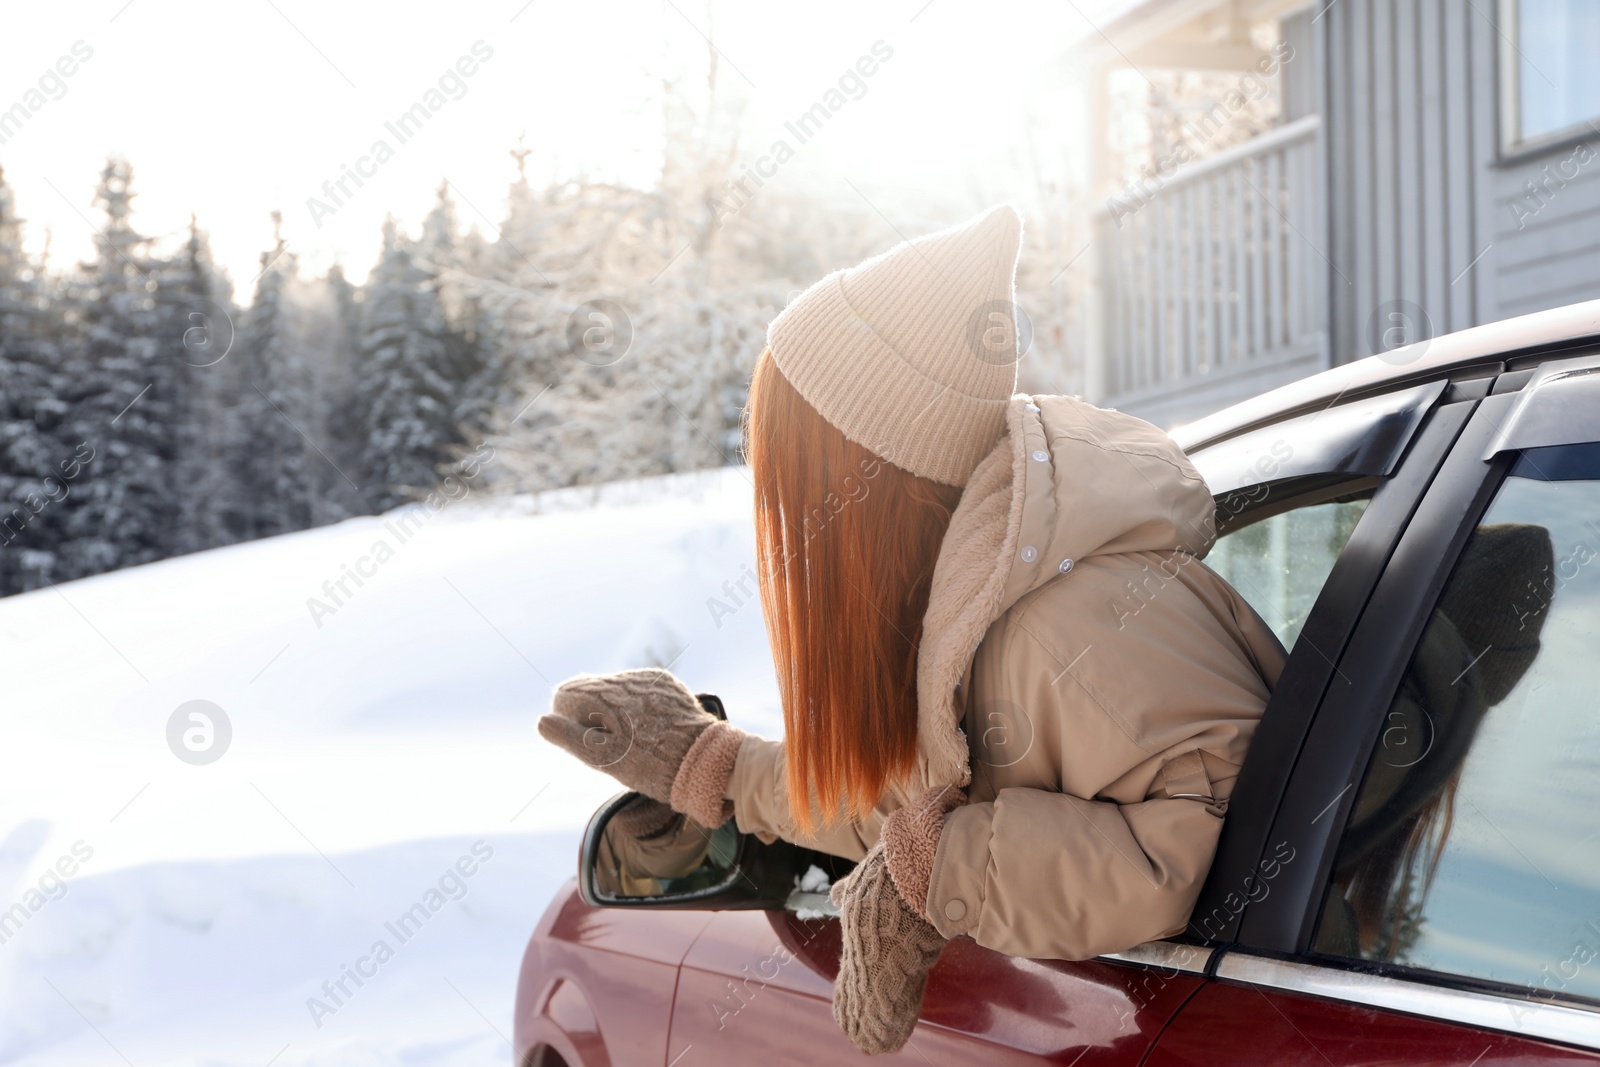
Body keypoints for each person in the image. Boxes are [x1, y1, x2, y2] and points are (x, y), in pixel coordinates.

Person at [539, 206, 1286, 1055]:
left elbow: (1217, 830)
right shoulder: (965, 620)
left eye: (789, 471)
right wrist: (717, 766)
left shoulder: (1068, 622)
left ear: (864, 489)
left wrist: (939, 872)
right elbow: (904, 798)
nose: (775, 513)